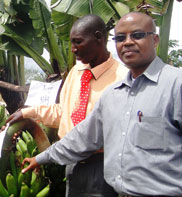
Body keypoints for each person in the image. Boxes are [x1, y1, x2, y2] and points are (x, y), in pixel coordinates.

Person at [22, 12, 182, 196]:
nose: (128, 42)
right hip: (100, 179)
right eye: (120, 38)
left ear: (154, 40)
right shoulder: (113, 94)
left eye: (137, 35)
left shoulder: (175, 85)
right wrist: (41, 158)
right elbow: (82, 137)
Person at [7, 14, 128, 196]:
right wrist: (27, 113)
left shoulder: (122, 78)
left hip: (103, 164)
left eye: (78, 42)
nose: (72, 49)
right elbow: (64, 113)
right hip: (71, 163)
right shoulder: (77, 72)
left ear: (98, 38)